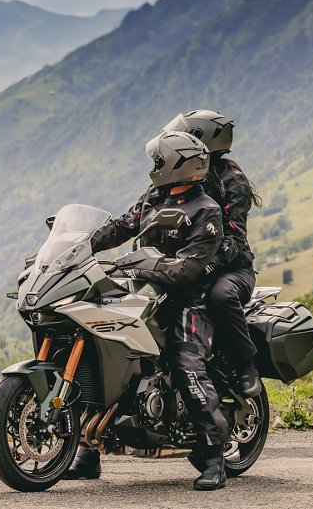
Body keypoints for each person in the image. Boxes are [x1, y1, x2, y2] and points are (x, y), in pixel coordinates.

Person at [63, 130, 231, 491]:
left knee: (187, 363)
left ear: (177, 163)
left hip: (189, 300)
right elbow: (121, 227)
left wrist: (140, 266)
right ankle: (86, 452)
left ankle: (213, 457)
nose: (153, 166)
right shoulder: (154, 197)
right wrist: (79, 247)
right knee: (98, 352)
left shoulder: (206, 210)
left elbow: (188, 269)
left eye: (158, 160)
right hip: (144, 293)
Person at [162, 110, 262, 398]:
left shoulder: (233, 182)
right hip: (186, 264)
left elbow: (234, 240)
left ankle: (245, 364)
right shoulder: (179, 174)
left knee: (221, 296)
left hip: (232, 270)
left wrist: (203, 267)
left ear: (201, 140)